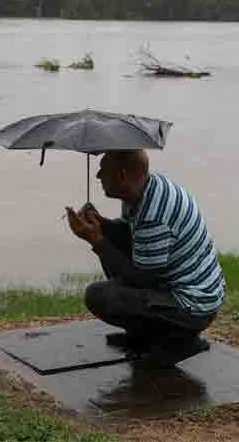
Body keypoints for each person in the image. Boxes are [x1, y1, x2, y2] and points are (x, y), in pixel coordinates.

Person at [64, 150, 225, 365]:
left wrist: (96, 240)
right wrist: (102, 223)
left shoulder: (154, 216)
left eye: (104, 170)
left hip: (194, 306)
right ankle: (148, 336)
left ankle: (182, 340)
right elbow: (132, 236)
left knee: (99, 296)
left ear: (122, 176)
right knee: (117, 275)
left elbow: (141, 281)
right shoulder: (143, 190)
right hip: (177, 287)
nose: (98, 176)